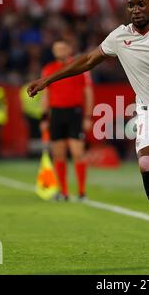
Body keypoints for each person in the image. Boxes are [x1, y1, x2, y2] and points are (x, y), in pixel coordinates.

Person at [27, 0, 149, 264]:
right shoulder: (120, 36)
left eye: (141, 4)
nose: (135, 10)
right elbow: (88, 60)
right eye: (131, 5)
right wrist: (47, 81)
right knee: (147, 163)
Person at [40, 39, 94, 201]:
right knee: (58, 154)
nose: (59, 51)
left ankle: (82, 192)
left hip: (74, 113)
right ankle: (63, 192)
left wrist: (87, 116)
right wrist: (44, 117)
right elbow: (46, 94)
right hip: (56, 113)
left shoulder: (80, 67)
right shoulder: (48, 69)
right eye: (56, 48)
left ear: (69, 49)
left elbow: (88, 92)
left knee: (78, 153)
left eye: (62, 48)